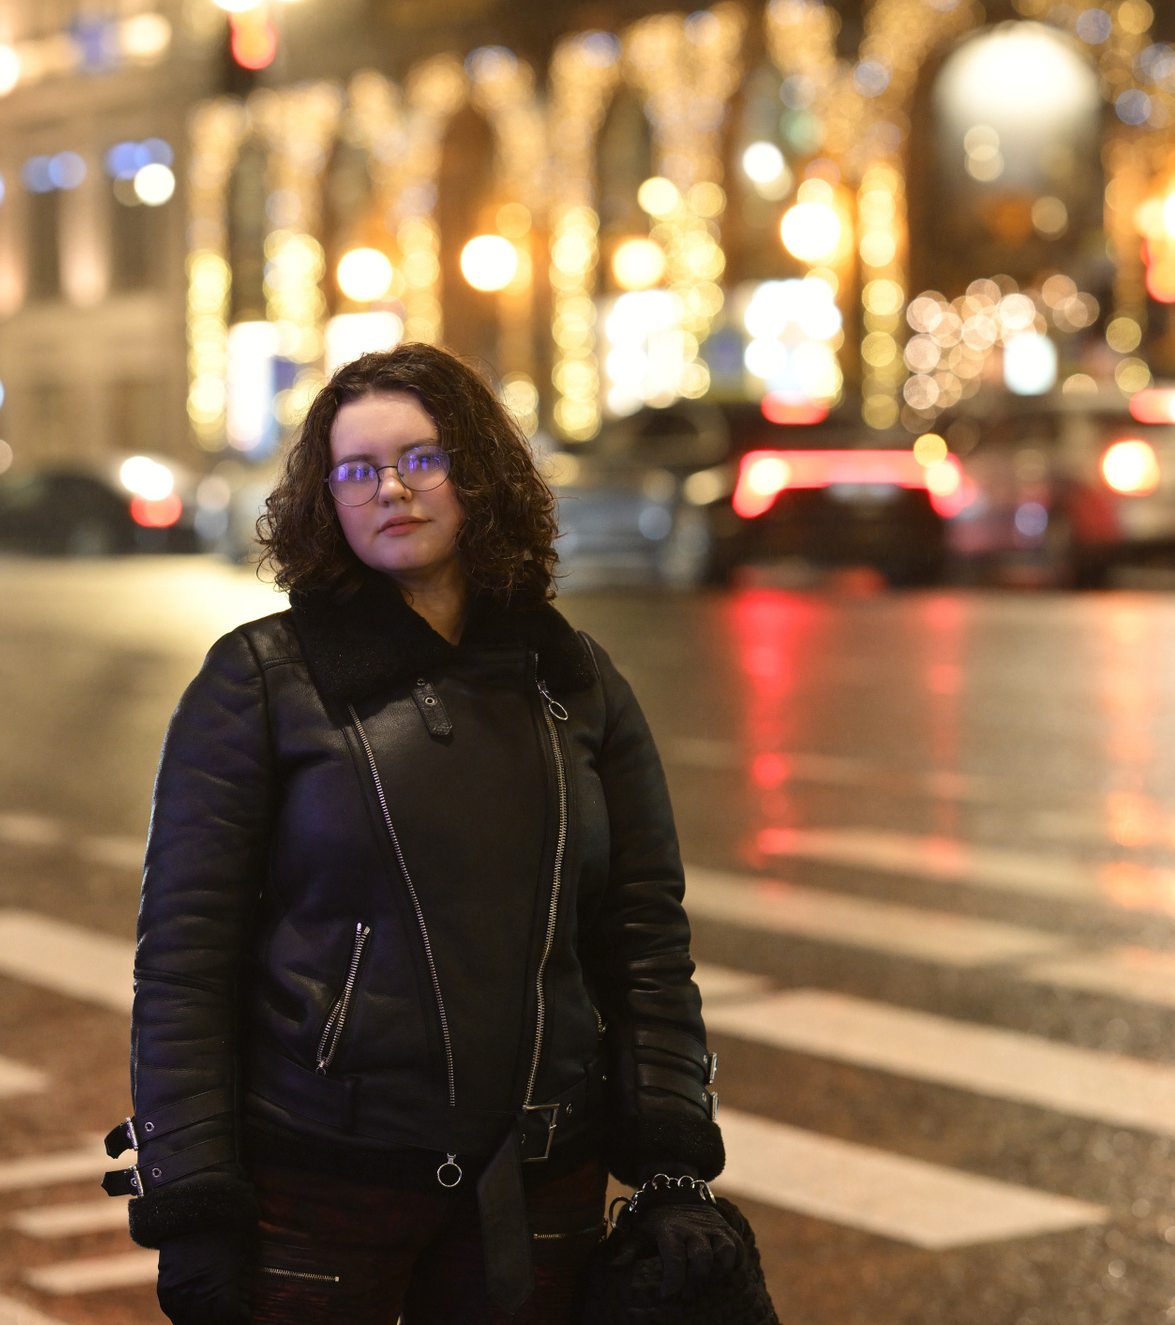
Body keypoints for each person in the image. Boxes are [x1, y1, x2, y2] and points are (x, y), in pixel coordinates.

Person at [109, 344, 738, 1323]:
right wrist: (190, 1195)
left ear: (479, 473)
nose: (390, 489)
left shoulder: (574, 678)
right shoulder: (260, 680)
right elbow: (185, 962)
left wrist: (672, 1158)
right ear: (325, 498)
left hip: (539, 1185)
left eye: (421, 458)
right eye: (355, 470)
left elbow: (645, 938)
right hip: (322, 1188)